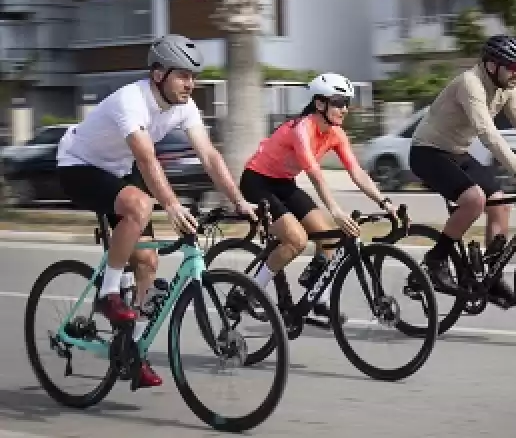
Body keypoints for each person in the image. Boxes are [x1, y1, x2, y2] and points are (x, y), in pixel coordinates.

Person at [56, 34, 256, 388]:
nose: (190, 84)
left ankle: (130, 352)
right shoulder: (131, 100)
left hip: (117, 167)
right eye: (183, 75)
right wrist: (172, 204)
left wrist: (238, 201)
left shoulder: (184, 105)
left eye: (194, 76)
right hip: (79, 164)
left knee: (148, 261)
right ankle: (108, 294)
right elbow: (147, 159)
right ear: (158, 74)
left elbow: (209, 156)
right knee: (139, 204)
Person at [408, 34, 516, 309]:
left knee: (499, 203)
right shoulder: (470, 84)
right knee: (474, 200)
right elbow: (487, 132)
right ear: (491, 66)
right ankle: (436, 261)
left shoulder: (507, 88)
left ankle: (492, 276)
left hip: (457, 153)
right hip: (427, 152)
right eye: (512, 66)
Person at [229, 73, 399, 322]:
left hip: (284, 183)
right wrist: (336, 210)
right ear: (320, 103)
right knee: (295, 240)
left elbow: (356, 171)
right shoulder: (302, 128)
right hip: (257, 181)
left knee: (330, 238)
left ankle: (319, 298)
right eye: (339, 102)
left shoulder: (335, 133)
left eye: (347, 103)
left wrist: (383, 201)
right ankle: (248, 291)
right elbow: (314, 173)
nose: (345, 109)